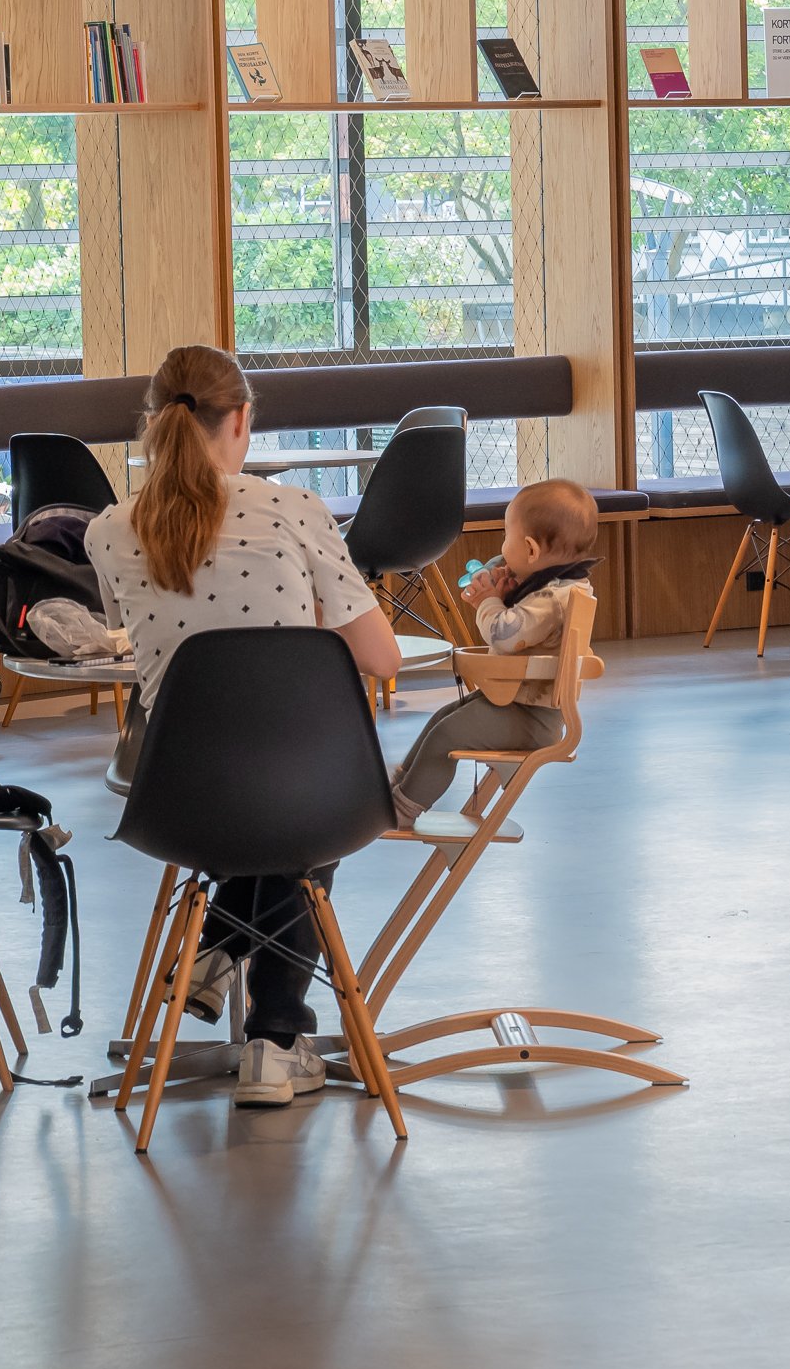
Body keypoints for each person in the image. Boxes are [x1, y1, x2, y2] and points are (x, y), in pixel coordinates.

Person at [85, 344, 403, 1110]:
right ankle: (275, 1035)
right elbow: (382, 657)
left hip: (178, 790)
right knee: (312, 785)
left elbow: (129, 635)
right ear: (242, 422)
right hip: (303, 793)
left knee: (273, 778)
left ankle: (221, 942)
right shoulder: (296, 510)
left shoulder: (108, 529)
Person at [388, 478, 597, 824]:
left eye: (506, 538)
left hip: (532, 719)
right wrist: (499, 581)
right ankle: (399, 785)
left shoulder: (550, 600)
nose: (502, 550)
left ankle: (404, 808)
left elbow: (502, 634)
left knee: (447, 734)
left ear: (531, 551)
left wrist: (489, 600)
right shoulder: (554, 586)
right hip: (519, 705)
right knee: (442, 717)